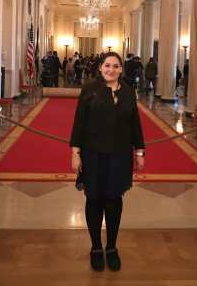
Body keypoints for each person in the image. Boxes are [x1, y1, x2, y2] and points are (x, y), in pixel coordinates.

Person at [70, 52, 145, 272]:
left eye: (115, 66)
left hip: (119, 156)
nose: (111, 69)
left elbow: (135, 125)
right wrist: (75, 153)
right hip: (93, 155)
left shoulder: (129, 92)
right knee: (94, 200)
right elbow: (79, 124)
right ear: (100, 68)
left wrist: (139, 152)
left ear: (121, 69)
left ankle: (111, 247)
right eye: (107, 65)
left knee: (113, 201)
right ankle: (95, 247)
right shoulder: (89, 90)